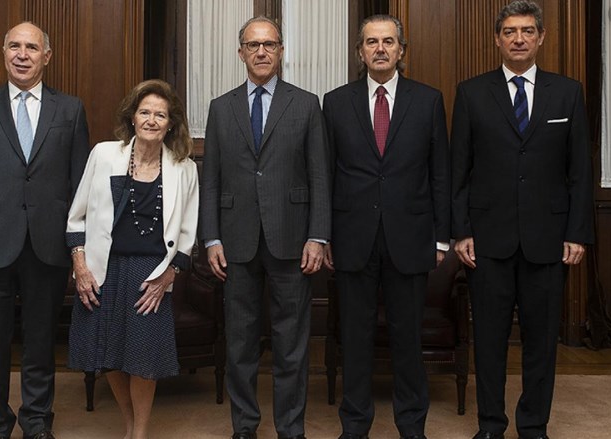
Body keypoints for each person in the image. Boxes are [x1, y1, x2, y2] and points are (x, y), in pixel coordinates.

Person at [450, 2, 594, 439]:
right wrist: (461, 231)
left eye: (527, 31)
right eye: (510, 31)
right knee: (489, 341)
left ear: (541, 37)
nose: (518, 39)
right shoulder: (472, 93)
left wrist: (577, 233)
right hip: (487, 240)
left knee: (541, 342)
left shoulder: (567, 93)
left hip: (548, 240)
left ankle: (533, 426)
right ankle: (490, 425)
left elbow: (579, 172)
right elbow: (459, 171)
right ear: (497, 39)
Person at [0, 22, 90, 439]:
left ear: (47, 56)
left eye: (31, 47)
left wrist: (78, 249)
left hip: (48, 244)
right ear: (4, 52)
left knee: (41, 342)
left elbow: (81, 187)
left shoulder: (70, 110)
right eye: (14, 46)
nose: (22, 55)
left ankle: (37, 421)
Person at [199, 16, 330, 439]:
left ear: (281, 51)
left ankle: (291, 428)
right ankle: (244, 427)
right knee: (240, 344)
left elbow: (319, 175)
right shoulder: (221, 107)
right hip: (235, 241)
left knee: (291, 345)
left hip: (292, 239)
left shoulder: (306, 104)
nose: (261, 52)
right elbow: (211, 178)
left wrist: (318, 236)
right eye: (253, 45)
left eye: (269, 44)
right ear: (240, 52)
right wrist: (211, 237)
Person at [322, 14, 450, 439]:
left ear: (401, 50)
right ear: (360, 52)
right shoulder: (335, 103)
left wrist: (441, 238)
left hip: (410, 237)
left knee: (407, 339)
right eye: (372, 42)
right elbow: (326, 174)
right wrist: (325, 235)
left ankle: (412, 426)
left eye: (388, 41)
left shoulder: (428, 100)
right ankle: (354, 426)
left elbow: (440, 173)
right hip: (352, 238)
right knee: (355, 339)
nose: (380, 48)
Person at [65, 79, 198, 439]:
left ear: (171, 124)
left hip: (150, 276)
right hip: (103, 270)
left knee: (143, 361)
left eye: (160, 115)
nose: (152, 120)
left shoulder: (184, 168)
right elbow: (76, 218)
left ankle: (139, 432)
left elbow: (188, 233)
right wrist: (80, 266)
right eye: (145, 112)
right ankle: (128, 425)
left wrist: (168, 276)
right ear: (132, 117)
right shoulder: (104, 155)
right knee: (109, 355)